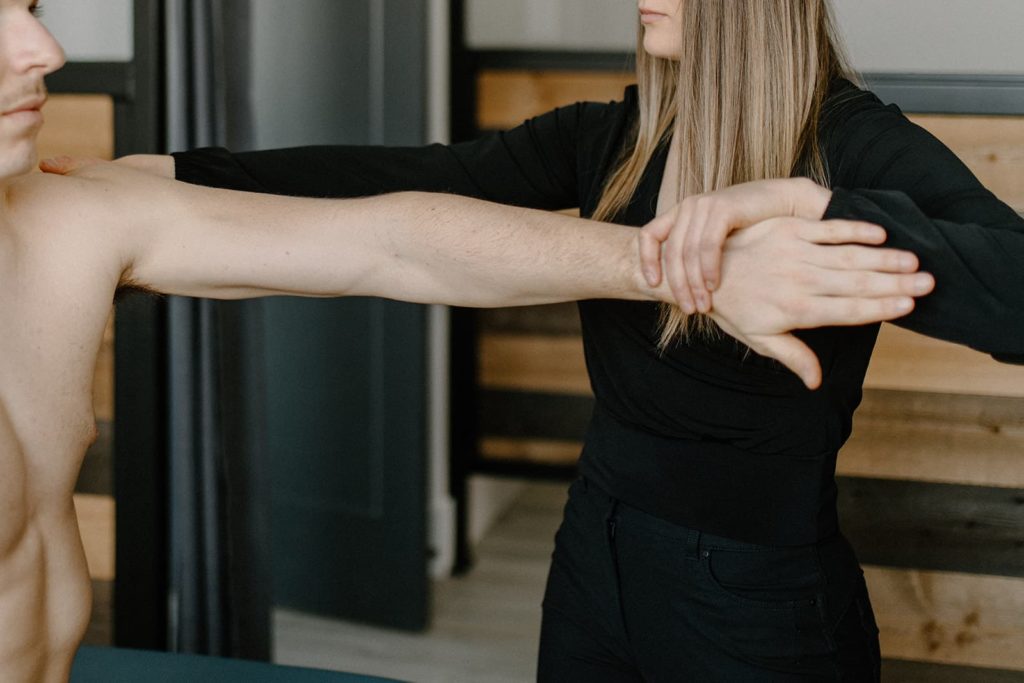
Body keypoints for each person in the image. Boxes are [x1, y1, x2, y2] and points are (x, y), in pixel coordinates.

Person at [82, 1, 1024, 680]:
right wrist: (172, 173)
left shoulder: (853, 145)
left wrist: (814, 208)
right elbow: (411, 180)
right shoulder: (612, 136)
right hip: (592, 551)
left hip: (756, 591)